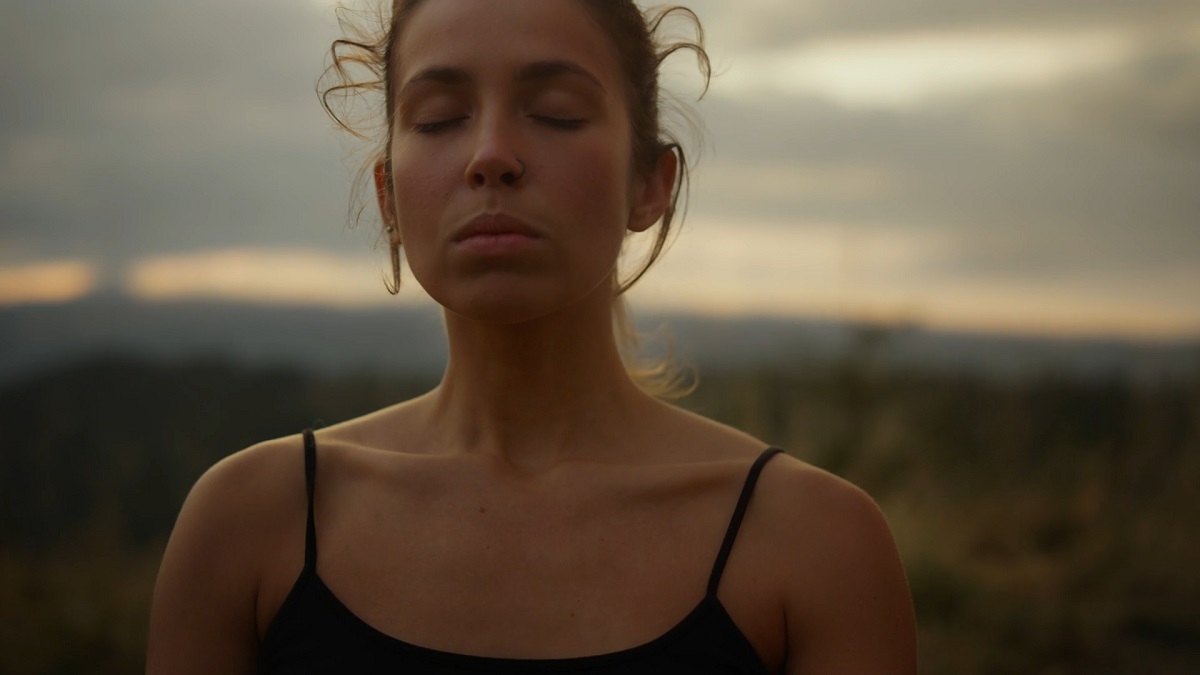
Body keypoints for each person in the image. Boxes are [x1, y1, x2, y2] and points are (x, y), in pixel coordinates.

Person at [145, 1, 917, 673]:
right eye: (440, 118)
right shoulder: (249, 525)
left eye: (555, 112)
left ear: (650, 182)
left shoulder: (815, 547)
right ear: (388, 193)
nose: (491, 157)